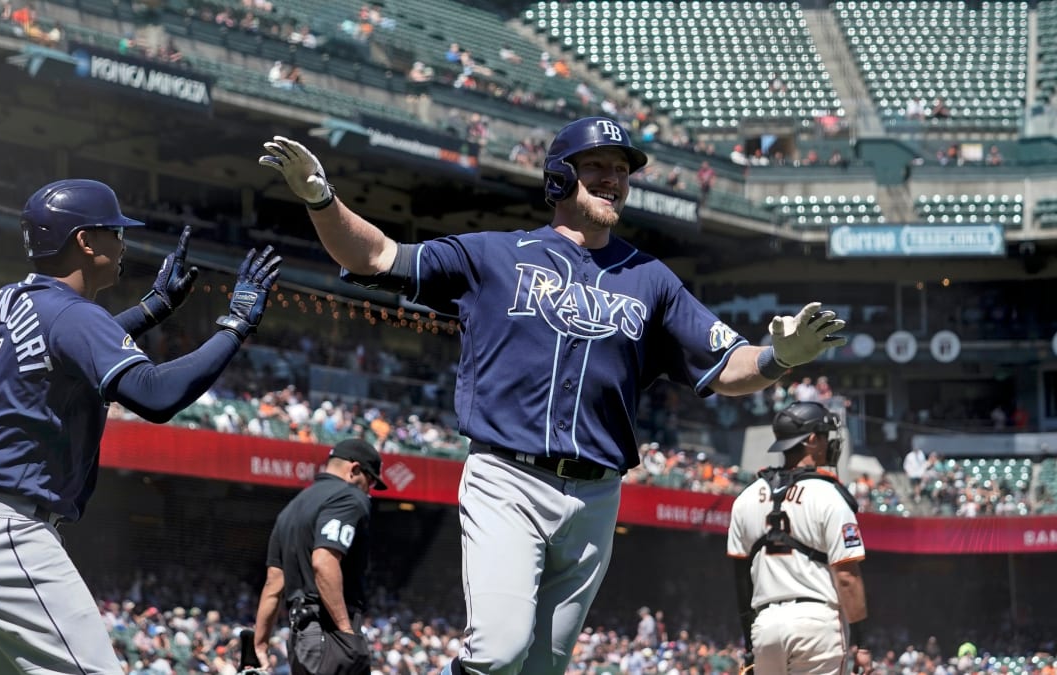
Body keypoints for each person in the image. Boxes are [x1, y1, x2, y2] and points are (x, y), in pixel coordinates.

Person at [259, 117, 848, 675]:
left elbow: (727, 364)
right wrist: (321, 201)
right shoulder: (493, 255)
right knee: (499, 647)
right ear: (560, 177)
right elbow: (376, 255)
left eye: (622, 170)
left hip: (596, 497)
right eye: (597, 166)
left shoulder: (652, 279)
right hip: (508, 479)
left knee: (540, 668)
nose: (614, 179)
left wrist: (780, 358)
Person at [0, 178, 282, 674]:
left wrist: (152, 310)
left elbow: (66, 347)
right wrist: (235, 325)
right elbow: (156, 395)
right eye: (114, 230)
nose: (122, 240)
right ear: (85, 241)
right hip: (5, 532)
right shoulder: (73, 314)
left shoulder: (11, 298)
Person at [727, 401, 872, 675]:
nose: (830, 442)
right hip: (817, 623)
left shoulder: (745, 498)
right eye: (825, 435)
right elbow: (846, 577)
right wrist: (862, 644)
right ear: (812, 440)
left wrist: (749, 644)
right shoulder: (830, 496)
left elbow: (742, 581)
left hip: (766, 625)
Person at [250, 439, 386, 675]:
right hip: (329, 632)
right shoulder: (349, 498)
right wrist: (346, 632)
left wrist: (260, 644)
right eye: (370, 480)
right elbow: (324, 561)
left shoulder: (292, 508)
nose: (370, 488)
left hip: (301, 638)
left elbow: (274, 584)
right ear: (354, 470)